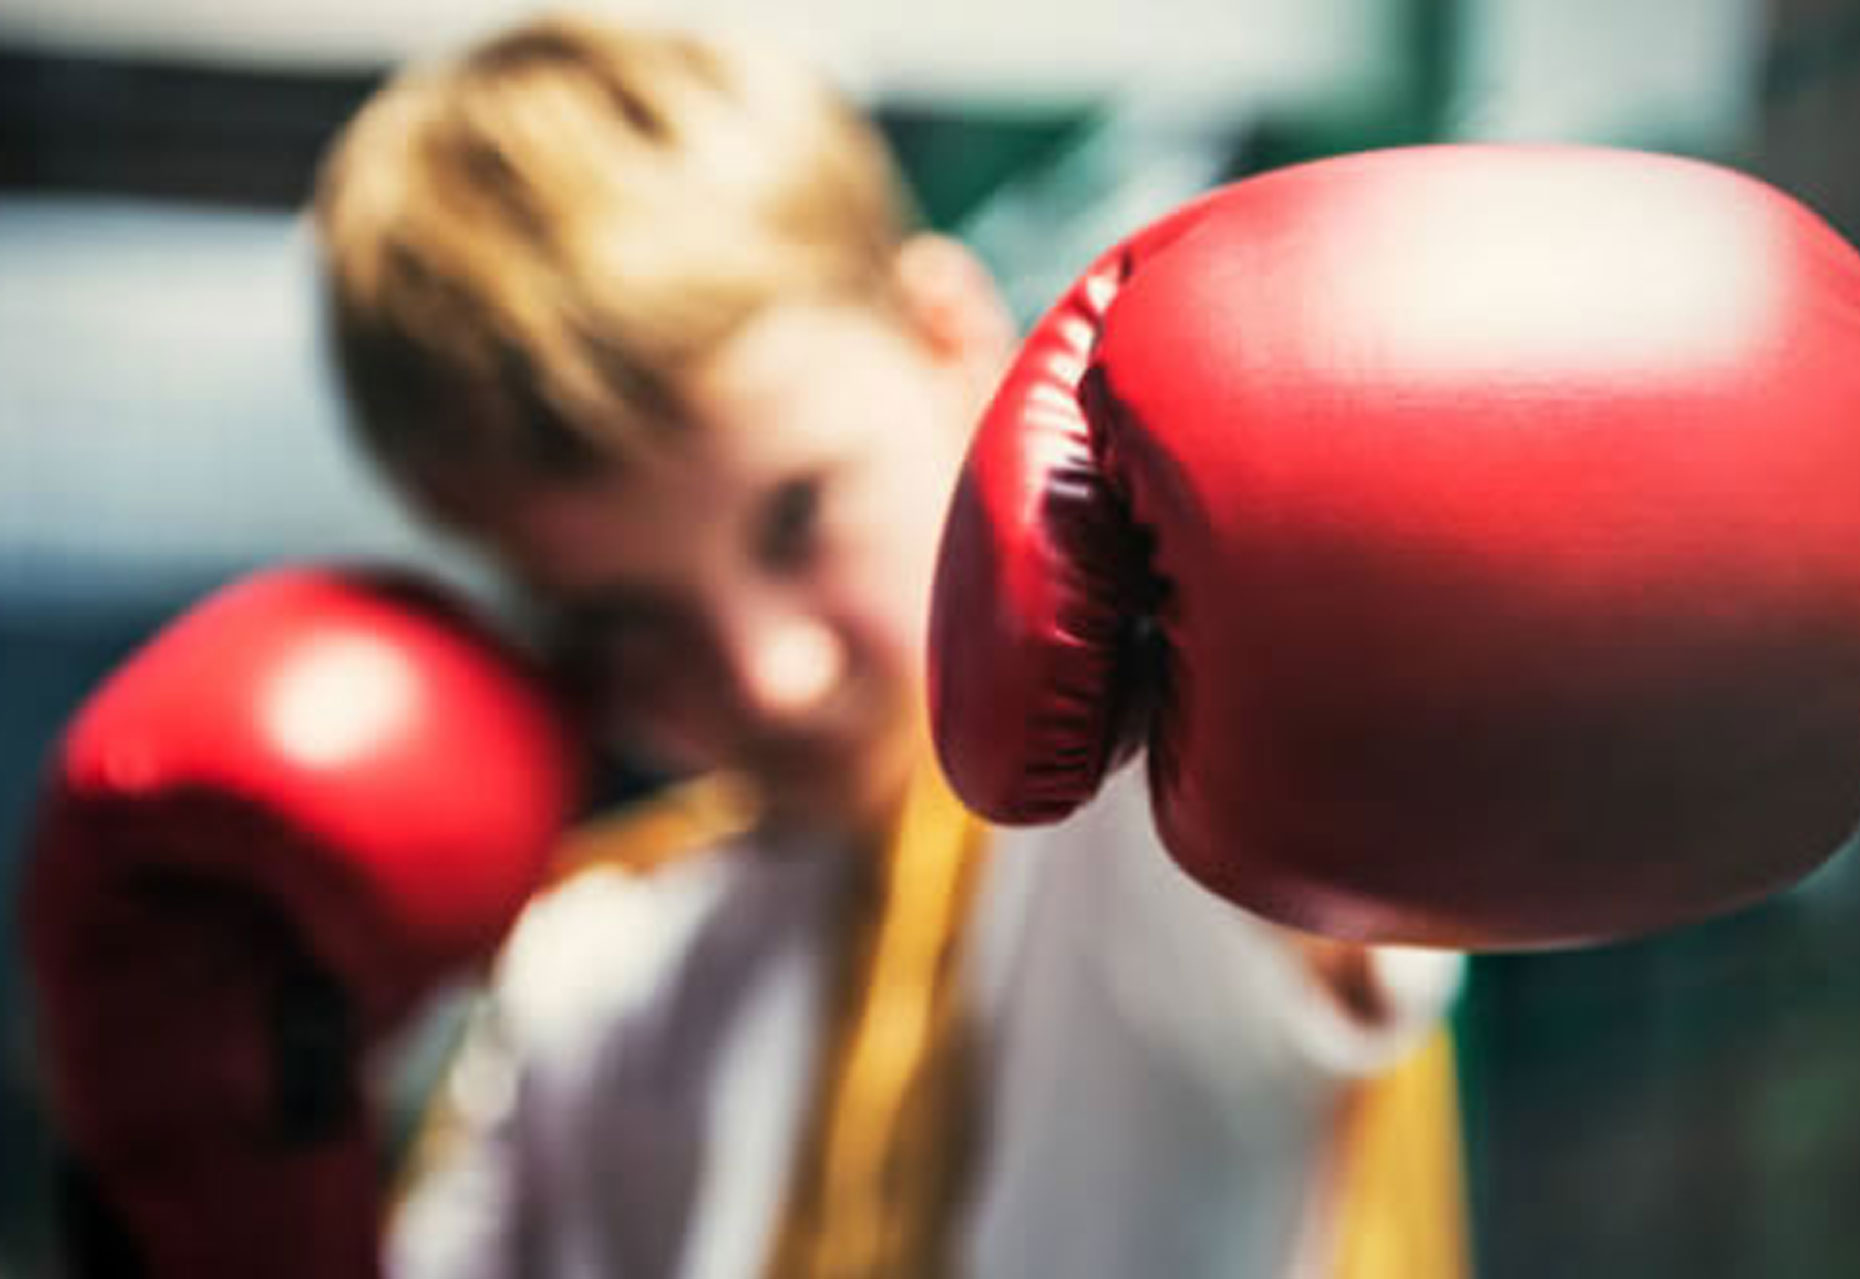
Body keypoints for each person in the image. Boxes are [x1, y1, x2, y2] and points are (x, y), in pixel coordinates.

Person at [310, 12, 1468, 1278]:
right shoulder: (584, 976)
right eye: (625, 623)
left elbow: (1343, 861)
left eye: (797, 518)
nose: (771, 676)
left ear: (950, 335)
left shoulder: (1156, 812)